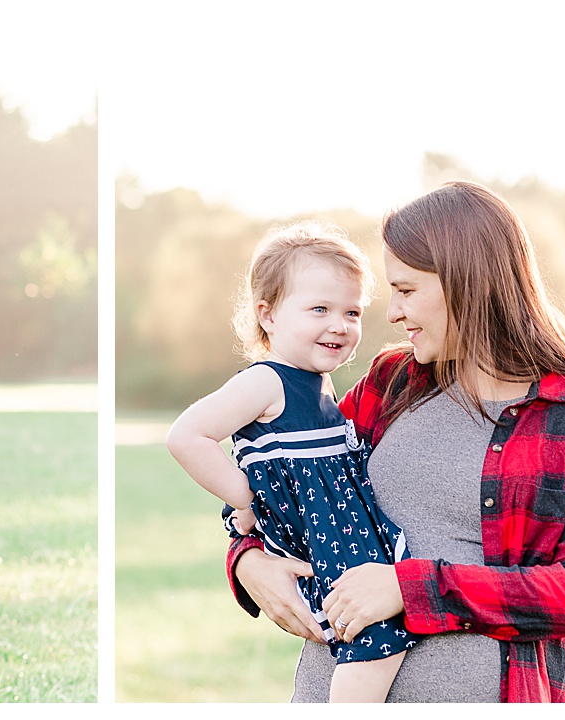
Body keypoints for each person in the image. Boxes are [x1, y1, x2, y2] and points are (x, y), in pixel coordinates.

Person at [226, 182, 565, 702]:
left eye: (406, 290)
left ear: (466, 281)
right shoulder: (392, 381)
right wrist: (248, 561)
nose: (393, 314)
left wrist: (409, 588)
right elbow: (283, 477)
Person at [166, 223, 410, 702]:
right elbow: (186, 435)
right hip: (325, 537)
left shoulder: (318, 383)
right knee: (375, 637)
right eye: (319, 309)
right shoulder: (266, 381)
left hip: (344, 526)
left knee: (380, 624)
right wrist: (246, 498)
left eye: (352, 311)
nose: (339, 324)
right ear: (269, 315)